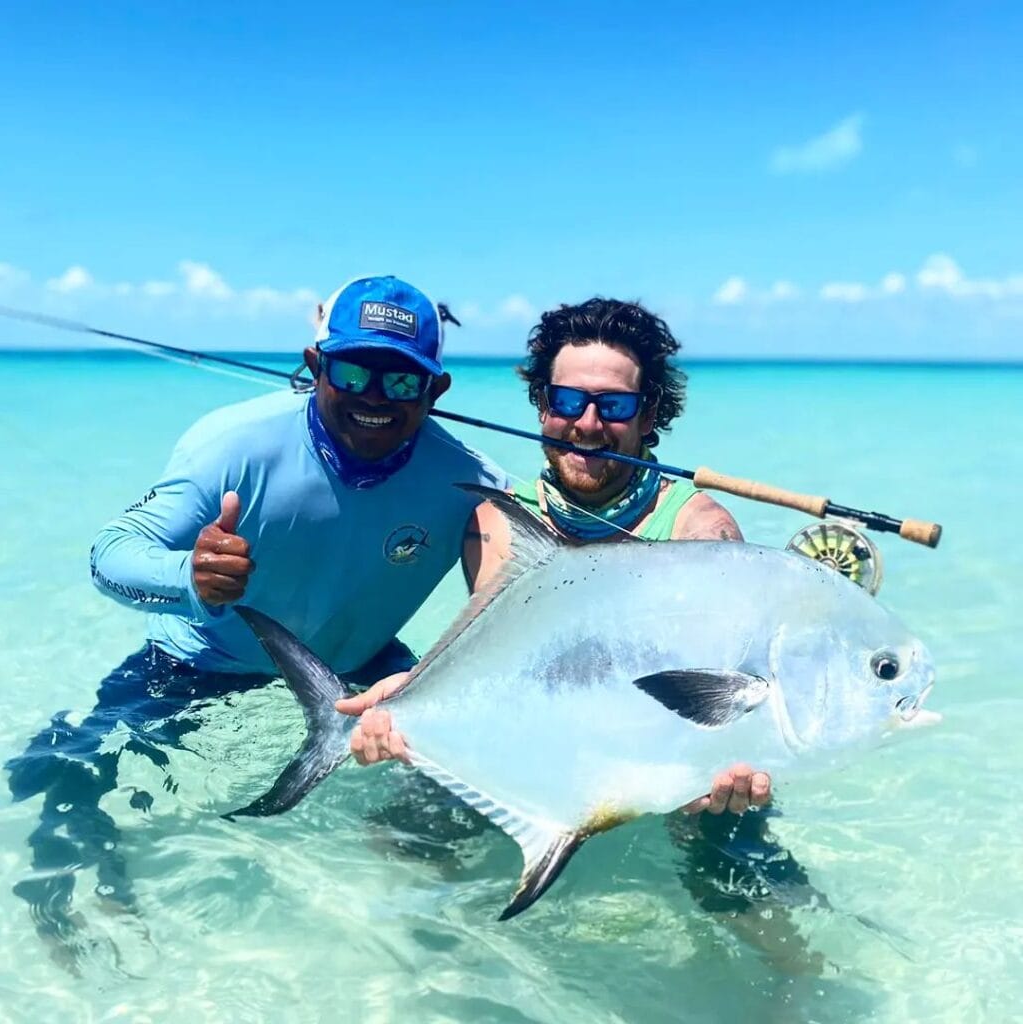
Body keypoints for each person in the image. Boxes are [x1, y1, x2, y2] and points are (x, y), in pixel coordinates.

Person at [5, 275, 507, 962]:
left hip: (361, 666)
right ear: (314, 364)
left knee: (473, 773)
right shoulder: (235, 444)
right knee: (75, 768)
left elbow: (514, 600)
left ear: (436, 391)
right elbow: (111, 554)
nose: (373, 397)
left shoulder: (471, 481)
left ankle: (425, 927)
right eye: (353, 370)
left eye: (401, 382)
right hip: (199, 660)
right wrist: (190, 576)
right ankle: (69, 890)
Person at [340, 298, 817, 951]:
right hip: (543, 741)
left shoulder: (697, 530)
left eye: (614, 406)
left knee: (750, 894)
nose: (588, 423)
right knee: (400, 842)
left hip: (665, 757)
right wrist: (406, 711)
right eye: (567, 401)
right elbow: (490, 651)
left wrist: (727, 768)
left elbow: (717, 695)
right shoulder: (500, 518)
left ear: (648, 416)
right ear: (542, 406)